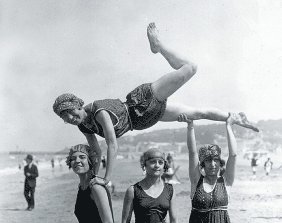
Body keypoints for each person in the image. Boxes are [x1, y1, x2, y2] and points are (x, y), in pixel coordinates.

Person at [53, 23, 259, 187]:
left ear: (79, 105)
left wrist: (106, 178)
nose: (71, 118)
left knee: (191, 68)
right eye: (66, 117)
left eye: (71, 112)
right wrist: (93, 177)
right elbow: (96, 152)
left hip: (141, 103)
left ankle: (159, 46)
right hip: (144, 121)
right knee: (197, 113)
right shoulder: (83, 125)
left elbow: (112, 144)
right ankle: (234, 117)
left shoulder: (98, 111)